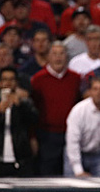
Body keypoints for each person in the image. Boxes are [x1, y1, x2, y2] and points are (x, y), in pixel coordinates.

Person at [31, 42, 81, 175]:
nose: (58, 57)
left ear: (67, 57)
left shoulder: (75, 78)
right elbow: (33, 110)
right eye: (54, 54)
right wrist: (33, 136)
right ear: (48, 57)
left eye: (61, 53)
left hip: (71, 134)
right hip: (47, 135)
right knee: (48, 173)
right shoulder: (38, 79)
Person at [0, 66, 38, 177]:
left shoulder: (25, 102)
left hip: (20, 160)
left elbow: (34, 119)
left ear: (16, 83)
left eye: (11, 79)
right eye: (5, 79)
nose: (8, 83)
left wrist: (20, 105)